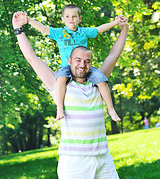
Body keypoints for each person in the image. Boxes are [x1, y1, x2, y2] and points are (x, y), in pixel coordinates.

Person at [12, 12, 129, 179]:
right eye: (78, 60)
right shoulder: (59, 85)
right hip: (74, 162)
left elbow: (113, 55)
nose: (82, 65)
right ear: (70, 61)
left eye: (87, 61)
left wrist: (124, 29)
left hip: (103, 157)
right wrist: (18, 29)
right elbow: (32, 58)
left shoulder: (98, 81)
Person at [16, 4, 126, 121]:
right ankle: (59, 109)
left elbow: (100, 29)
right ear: (62, 19)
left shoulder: (84, 32)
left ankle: (111, 109)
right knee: (60, 79)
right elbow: (43, 28)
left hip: (85, 67)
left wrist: (116, 23)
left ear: (79, 19)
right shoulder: (59, 33)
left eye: (74, 16)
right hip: (66, 67)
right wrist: (28, 20)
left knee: (102, 80)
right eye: (67, 16)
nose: (71, 19)